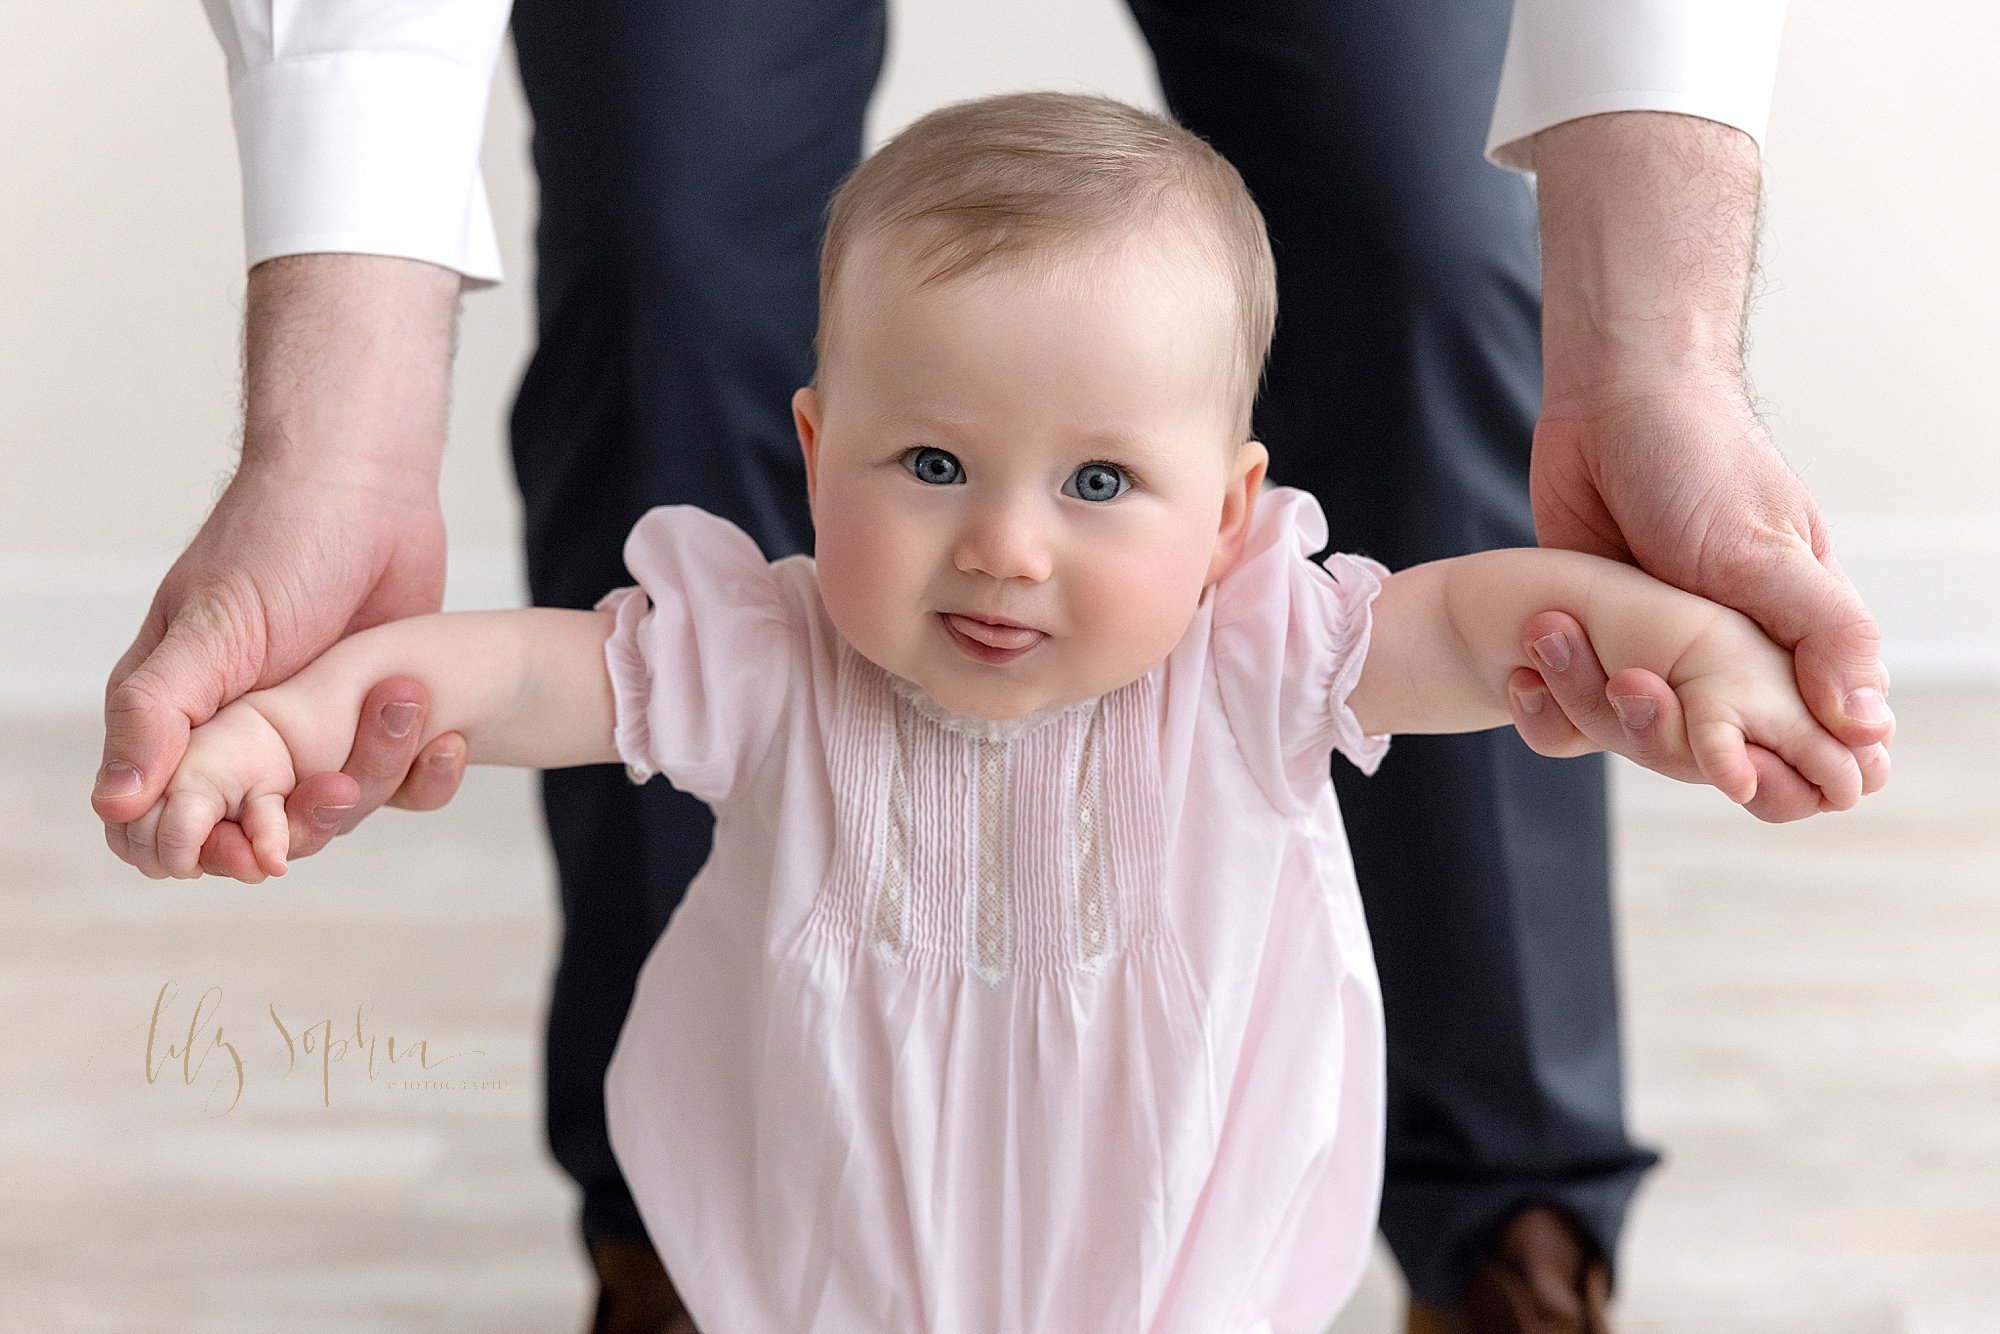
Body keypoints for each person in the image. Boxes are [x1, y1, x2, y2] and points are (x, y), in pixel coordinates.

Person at [98, 3, 1893, 1330]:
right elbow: (526, 679)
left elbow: (1489, 623)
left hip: (1177, 1286)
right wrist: (310, 692)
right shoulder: (771, 651)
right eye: (931, 466)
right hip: (824, 1273)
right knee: (662, 252)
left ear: (1230, 516)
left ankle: (1511, 1230)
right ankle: (666, 1257)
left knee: (1424, 243)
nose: (1007, 546)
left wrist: (1694, 632)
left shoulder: (1259, 645)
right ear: (816, 462)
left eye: (1102, 481)